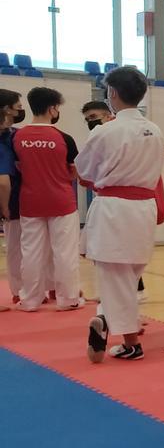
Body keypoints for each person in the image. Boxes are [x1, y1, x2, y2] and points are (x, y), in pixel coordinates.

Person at [76, 67, 164, 362]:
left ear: (112, 93)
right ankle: (107, 318)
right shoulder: (155, 130)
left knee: (114, 278)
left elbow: (84, 171)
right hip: (144, 209)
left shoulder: (106, 130)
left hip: (113, 206)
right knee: (130, 276)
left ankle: (129, 341)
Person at [12, 87, 82, 312]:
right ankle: (68, 299)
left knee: (31, 252)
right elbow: (75, 171)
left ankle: (31, 299)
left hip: (30, 202)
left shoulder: (18, 137)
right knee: (65, 253)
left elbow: (17, 168)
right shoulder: (64, 138)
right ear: (52, 109)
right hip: (62, 202)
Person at [0, 89, 26, 311]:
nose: (20, 110)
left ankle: (25, 290)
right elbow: (3, 181)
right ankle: (19, 291)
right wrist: (5, 206)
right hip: (9, 200)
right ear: (6, 109)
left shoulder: (15, 134)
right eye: (17, 107)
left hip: (19, 197)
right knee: (15, 247)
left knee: (23, 247)